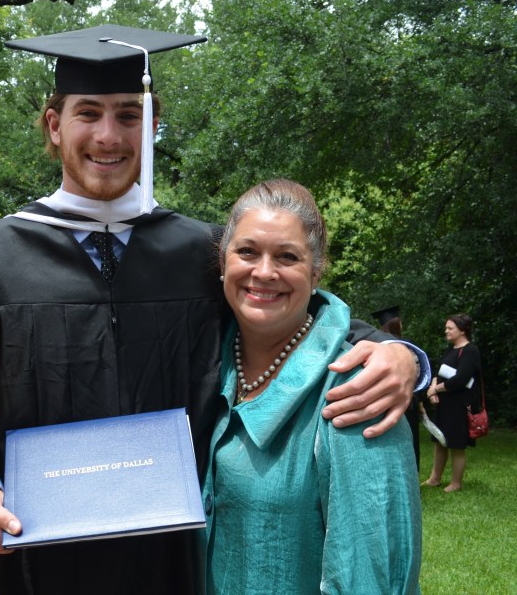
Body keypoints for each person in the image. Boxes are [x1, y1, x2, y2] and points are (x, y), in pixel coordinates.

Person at [0, 24, 430, 594]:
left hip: (175, 559)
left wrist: (402, 355)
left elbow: (301, 316)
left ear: (152, 126)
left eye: (129, 114)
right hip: (41, 554)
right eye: (88, 113)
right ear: (54, 125)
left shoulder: (199, 251)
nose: (108, 134)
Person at [201, 179, 421, 593]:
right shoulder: (201, 361)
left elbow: (372, 575)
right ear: (223, 260)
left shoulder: (356, 391)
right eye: (247, 251)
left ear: (316, 271)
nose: (264, 272)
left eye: (287, 256)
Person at [423, 313, 482, 492]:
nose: (446, 331)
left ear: (462, 330)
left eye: (450, 328)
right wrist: (432, 389)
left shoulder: (470, 350)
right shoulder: (451, 349)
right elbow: (438, 371)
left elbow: (460, 379)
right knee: (440, 440)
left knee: (456, 444)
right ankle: (435, 478)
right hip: (444, 403)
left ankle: (456, 483)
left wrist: (435, 389)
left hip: (459, 404)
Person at [375, 304, 423, 470]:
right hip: (409, 398)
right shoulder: (406, 344)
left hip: (385, 399)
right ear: (396, 324)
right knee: (410, 438)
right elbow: (418, 371)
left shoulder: (377, 343)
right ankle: (411, 470)